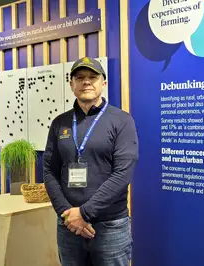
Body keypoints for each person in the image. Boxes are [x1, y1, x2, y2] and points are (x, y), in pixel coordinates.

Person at [43, 56, 139, 266]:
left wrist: (84, 213)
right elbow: (49, 170)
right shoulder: (60, 123)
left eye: (92, 77)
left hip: (110, 227)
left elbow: (123, 174)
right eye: (80, 77)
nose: (86, 81)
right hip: (69, 227)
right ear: (71, 84)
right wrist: (67, 215)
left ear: (103, 83)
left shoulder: (122, 121)